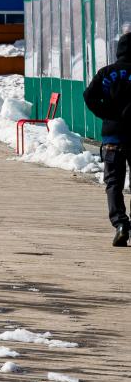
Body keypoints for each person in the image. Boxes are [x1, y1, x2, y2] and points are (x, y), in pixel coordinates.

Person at [83, 30, 131, 247]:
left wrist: (106, 112)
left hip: (112, 136)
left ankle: (120, 224)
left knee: (113, 183)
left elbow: (88, 95)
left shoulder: (106, 73)